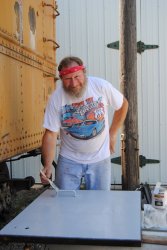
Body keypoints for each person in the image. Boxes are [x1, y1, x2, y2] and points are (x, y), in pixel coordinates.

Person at [40, 56, 128, 190]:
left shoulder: (100, 86)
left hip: (100, 158)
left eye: (77, 76)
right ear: (61, 79)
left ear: (84, 73)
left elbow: (122, 105)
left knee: (100, 204)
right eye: (68, 79)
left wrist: (113, 134)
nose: (74, 83)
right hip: (69, 159)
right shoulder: (56, 98)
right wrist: (47, 165)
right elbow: (50, 133)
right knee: (65, 202)